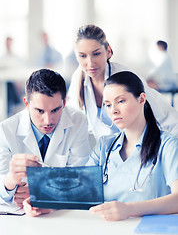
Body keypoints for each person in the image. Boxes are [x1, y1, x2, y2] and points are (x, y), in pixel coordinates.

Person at [23, 71, 178, 219]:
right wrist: (47, 203)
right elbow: (80, 190)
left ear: (141, 99)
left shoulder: (168, 146)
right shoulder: (105, 146)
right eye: (108, 105)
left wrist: (129, 210)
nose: (114, 111)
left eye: (121, 101)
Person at [67, 25, 178, 143]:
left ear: (108, 51)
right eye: (83, 56)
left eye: (96, 54)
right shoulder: (78, 79)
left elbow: (168, 119)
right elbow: (73, 124)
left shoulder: (125, 76)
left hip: (141, 148)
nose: (90, 63)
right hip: (109, 153)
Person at [0, 69, 91, 207]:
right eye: (40, 111)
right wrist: (11, 179)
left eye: (55, 110)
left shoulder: (78, 121)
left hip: (61, 214)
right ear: (26, 104)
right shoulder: (6, 130)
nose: (48, 120)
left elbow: (80, 179)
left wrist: (39, 191)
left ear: (64, 103)